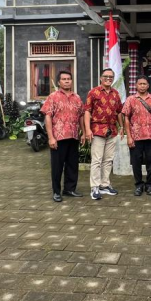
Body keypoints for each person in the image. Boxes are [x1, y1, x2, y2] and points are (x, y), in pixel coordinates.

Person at [42, 70, 85, 203]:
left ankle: (69, 189)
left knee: (72, 165)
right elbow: (47, 116)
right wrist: (51, 137)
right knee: (57, 166)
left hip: (73, 136)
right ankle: (56, 192)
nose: (67, 81)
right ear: (59, 82)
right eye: (64, 79)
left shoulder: (77, 97)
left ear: (72, 81)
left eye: (69, 79)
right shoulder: (53, 97)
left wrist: (83, 132)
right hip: (58, 137)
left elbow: (81, 116)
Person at [84, 68, 123, 200]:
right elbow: (87, 111)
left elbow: (119, 112)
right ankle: (95, 187)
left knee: (108, 160)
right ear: (101, 78)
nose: (108, 78)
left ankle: (104, 185)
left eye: (111, 77)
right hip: (97, 129)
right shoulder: (93, 92)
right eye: (106, 76)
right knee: (97, 160)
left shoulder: (116, 94)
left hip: (112, 131)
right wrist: (88, 129)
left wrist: (122, 126)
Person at [122, 75, 151, 197]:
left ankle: (149, 184)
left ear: (148, 85)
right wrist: (128, 136)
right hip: (136, 136)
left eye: (145, 84)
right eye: (140, 84)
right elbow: (126, 118)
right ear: (136, 85)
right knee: (136, 162)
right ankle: (138, 184)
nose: (142, 86)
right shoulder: (130, 99)